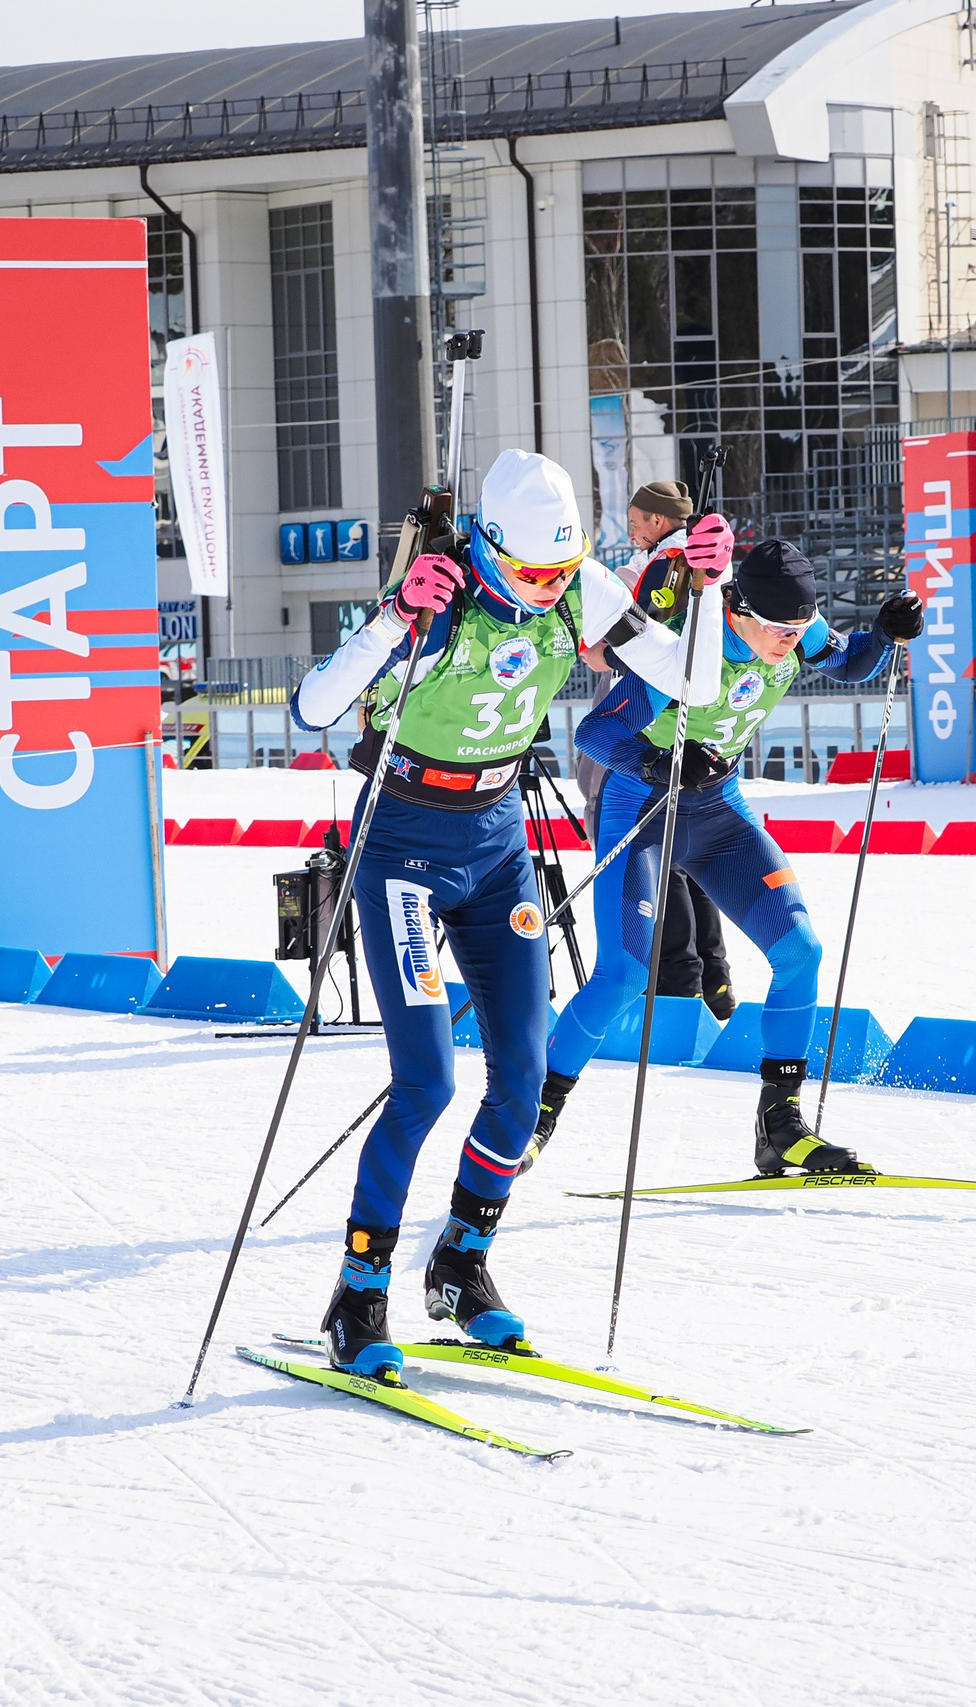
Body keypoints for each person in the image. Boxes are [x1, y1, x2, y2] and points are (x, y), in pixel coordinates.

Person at [289, 447, 728, 1378]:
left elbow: (694, 684)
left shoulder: (580, 588)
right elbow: (313, 704)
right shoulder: (439, 596)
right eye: (528, 571)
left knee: (525, 1080)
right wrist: (393, 617)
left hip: (495, 849)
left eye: (559, 571)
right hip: (403, 846)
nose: (544, 589)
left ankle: (460, 1262)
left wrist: (714, 590)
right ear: (488, 547)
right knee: (425, 1084)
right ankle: (359, 1292)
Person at [527, 538, 922, 1179]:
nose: (789, 643)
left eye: (798, 629)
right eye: (777, 630)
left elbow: (849, 664)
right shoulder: (689, 651)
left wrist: (883, 632)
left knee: (802, 953)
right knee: (626, 974)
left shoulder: (791, 627)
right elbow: (596, 734)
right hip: (644, 808)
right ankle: (534, 1112)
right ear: (736, 609)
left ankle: (781, 1127)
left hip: (718, 809)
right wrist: (664, 762)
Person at [580, 478, 738, 1021]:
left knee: (655, 855)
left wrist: (605, 649)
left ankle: (680, 980)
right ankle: (711, 973)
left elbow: (630, 643)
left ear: (659, 520)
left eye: (636, 516)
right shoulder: (691, 558)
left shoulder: (661, 566)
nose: (629, 524)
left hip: (650, 719)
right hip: (697, 724)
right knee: (688, 856)